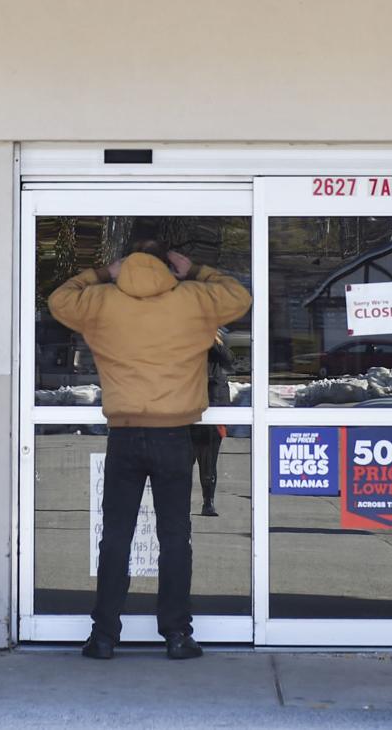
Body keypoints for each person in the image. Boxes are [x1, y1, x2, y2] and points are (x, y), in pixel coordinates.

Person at [48, 241, 251, 660]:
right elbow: (240, 297)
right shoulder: (192, 298)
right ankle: (176, 634)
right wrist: (195, 269)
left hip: (124, 435)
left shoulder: (103, 301)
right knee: (175, 537)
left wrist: (104, 274)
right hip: (174, 436)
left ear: (125, 265)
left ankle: (104, 636)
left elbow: (59, 300)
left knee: (116, 538)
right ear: (168, 265)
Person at [190, 331, 233, 517]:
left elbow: (228, 359)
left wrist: (212, 337)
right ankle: (180, 502)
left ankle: (208, 502)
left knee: (208, 461)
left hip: (213, 407)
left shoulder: (217, 340)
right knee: (183, 460)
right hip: (189, 406)